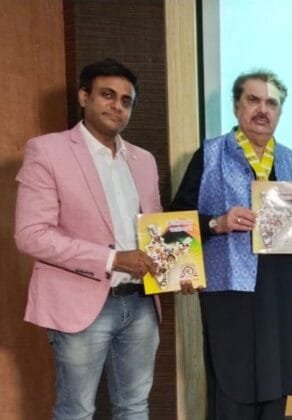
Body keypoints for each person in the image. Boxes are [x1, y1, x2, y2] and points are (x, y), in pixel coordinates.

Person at [14, 59, 162, 419]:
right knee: (76, 411)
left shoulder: (143, 160)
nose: (117, 106)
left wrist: (177, 271)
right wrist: (113, 259)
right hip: (79, 304)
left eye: (126, 100)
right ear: (84, 97)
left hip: (141, 303)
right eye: (107, 95)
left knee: (135, 407)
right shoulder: (47, 151)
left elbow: (155, 230)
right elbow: (31, 235)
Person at [169, 70, 292, 420]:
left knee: (275, 381)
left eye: (272, 103)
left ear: (280, 112)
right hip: (231, 292)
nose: (263, 110)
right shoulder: (210, 155)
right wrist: (217, 223)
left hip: (281, 291)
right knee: (232, 383)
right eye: (253, 100)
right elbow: (175, 219)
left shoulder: (290, 160)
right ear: (237, 106)